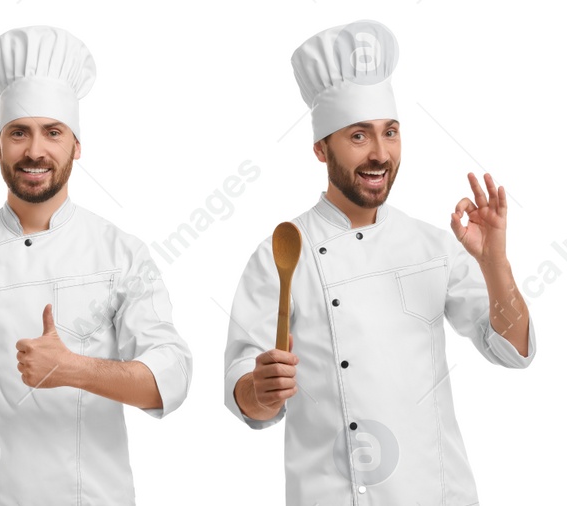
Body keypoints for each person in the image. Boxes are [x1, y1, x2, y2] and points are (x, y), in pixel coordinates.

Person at [222, 20, 536, 505]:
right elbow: (247, 393)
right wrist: (258, 392)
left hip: (439, 492)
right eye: (358, 136)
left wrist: (495, 262)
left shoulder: (431, 244)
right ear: (320, 148)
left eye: (390, 132)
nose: (380, 153)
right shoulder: (282, 252)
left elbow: (513, 350)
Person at [0, 26, 193, 506]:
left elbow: (171, 380)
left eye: (52, 133)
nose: (35, 151)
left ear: (76, 146)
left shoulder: (121, 253)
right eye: (19, 133)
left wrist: (73, 368)